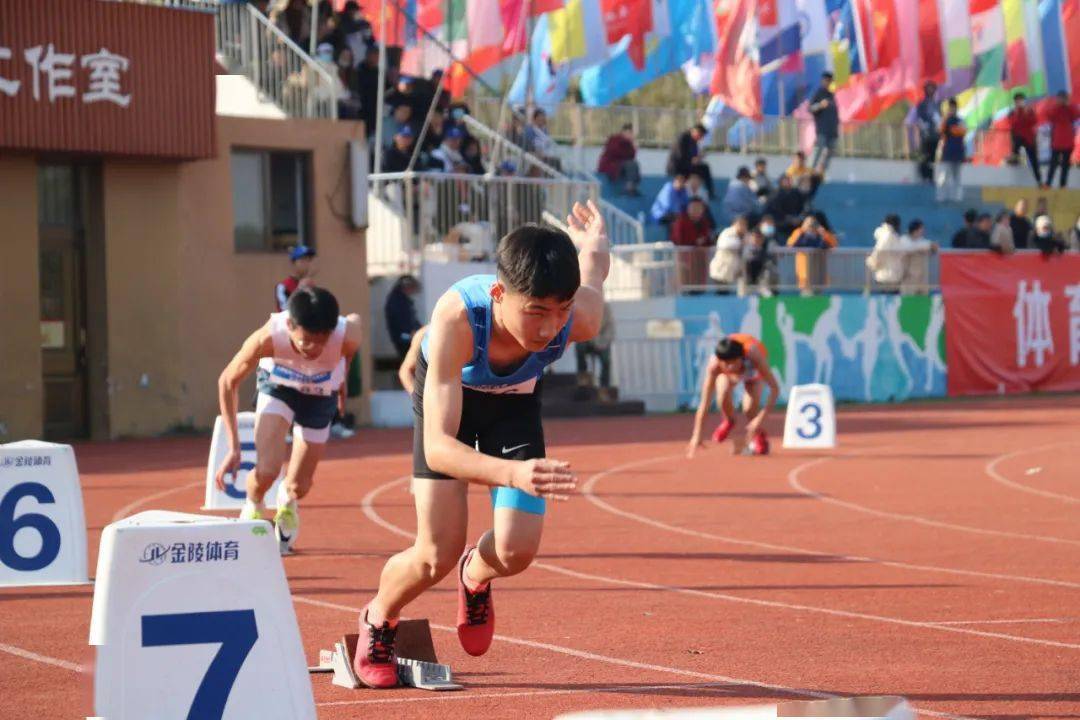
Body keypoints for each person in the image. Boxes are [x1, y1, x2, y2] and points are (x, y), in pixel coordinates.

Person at [353, 202, 610, 689]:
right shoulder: (457, 319)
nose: (549, 327)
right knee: (434, 553)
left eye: (560, 311)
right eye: (535, 311)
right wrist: (512, 473)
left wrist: (595, 243)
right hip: (451, 404)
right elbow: (439, 449)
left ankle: (477, 573)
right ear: (499, 292)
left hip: (514, 409)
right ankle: (380, 616)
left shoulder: (580, 318)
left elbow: (594, 271)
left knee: (515, 553)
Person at [215, 287, 362, 553]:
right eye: (305, 341)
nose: (313, 349)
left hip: (320, 395)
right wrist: (234, 446)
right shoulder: (268, 338)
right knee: (267, 470)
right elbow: (227, 381)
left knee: (299, 486)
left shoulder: (348, 336)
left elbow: (349, 346)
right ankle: (254, 503)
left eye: (322, 341)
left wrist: (342, 384)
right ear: (290, 325)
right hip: (278, 388)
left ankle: (287, 501)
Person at [686, 334, 780, 458]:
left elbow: (775, 388)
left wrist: (760, 419)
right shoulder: (714, 366)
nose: (730, 366)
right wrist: (696, 435)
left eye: (733, 362)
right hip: (728, 376)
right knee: (723, 391)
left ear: (741, 358)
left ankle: (759, 434)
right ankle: (729, 420)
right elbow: (705, 402)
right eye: (726, 363)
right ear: (720, 361)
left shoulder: (755, 357)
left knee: (749, 409)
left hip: (752, 374)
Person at [670, 197, 716, 290]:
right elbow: (678, 240)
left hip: (700, 261)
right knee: (686, 286)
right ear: (688, 208)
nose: (697, 210)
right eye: (694, 207)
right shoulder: (681, 222)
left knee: (699, 286)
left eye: (699, 208)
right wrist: (695, 242)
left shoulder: (704, 222)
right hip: (684, 260)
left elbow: (707, 240)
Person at [575, 302, 615, 402]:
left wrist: (601, 343)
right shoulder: (584, 308)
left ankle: (604, 388)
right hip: (588, 339)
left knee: (606, 361)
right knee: (580, 346)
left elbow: (610, 330)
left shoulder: (606, 309)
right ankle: (583, 374)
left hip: (602, 341)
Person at [787, 215, 837, 293]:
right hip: (805, 277)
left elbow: (833, 244)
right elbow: (790, 244)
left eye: (813, 224)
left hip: (819, 276)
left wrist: (823, 233)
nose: (811, 227)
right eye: (808, 224)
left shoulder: (821, 236)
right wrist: (802, 230)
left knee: (818, 299)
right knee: (806, 298)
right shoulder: (800, 234)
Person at [666, 123, 714, 198]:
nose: (700, 138)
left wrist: (699, 157)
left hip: (688, 165)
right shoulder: (682, 137)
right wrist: (692, 160)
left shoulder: (694, 141)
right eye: (700, 136)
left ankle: (710, 193)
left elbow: (694, 156)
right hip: (678, 167)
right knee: (696, 172)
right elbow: (680, 155)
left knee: (705, 168)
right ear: (695, 131)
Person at [1006, 92, 1042, 186]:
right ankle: (1014, 175)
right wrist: (1019, 113)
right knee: (1015, 154)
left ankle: (1039, 180)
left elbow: (1034, 121)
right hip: (1018, 138)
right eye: (1017, 101)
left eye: (1021, 100)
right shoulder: (1012, 112)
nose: (1019, 102)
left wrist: (1025, 113)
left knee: (1033, 160)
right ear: (1015, 102)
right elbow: (1012, 124)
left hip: (1029, 138)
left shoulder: (1029, 111)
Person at [1046, 91, 1079, 188]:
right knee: (1053, 164)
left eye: (1064, 98)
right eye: (1060, 98)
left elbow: (1076, 115)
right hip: (1057, 142)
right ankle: (1048, 183)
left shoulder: (1070, 108)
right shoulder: (1055, 109)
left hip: (1068, 142)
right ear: (1057, 99)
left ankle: (1063, 184)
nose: (1062, 100)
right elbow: (1049, 116)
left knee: (1065, 165)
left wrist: (1069, 105)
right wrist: (1058, 105)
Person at [597, 124, 641, 196]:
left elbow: (631, 157)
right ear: (625, 132)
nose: (631, 136)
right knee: (631, 164)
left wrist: (634, 148)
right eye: (630, 133)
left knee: (634, 164)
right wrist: (630, 146)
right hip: (610, 165)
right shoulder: (615, 140)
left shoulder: (628, 143)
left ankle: (632, 186)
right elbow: (615, 153)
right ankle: (629, 187)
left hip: (620, 165)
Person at [385, 275, 422, 362]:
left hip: (406, 336)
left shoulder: (403, 300)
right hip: (403, 338)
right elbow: (401, 322)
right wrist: (412, 333)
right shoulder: (397, 301)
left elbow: (412, 319)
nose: (412, 291)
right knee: (409, 360)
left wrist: (421, 329)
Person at [808, 72, 839, 174]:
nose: (828, 82)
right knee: (818, 150)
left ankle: (822, 173)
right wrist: (820, 105)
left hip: (832, 130)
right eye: (826, 80)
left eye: (830, 81)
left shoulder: (831, 95)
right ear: (823, 81)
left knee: (829, 153)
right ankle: (810, 171)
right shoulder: (819, 93)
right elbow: (810, 108)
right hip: (822, 129)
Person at [936, 98, 966, 203]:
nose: (952, 109)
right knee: (943, 176)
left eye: (953, 107)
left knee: (956, 177)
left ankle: (956, 198)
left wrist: (952, 129)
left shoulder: (960, 120)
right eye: (950, 107)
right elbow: (940, 131)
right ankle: (941, 197)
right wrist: (946, 123)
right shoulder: (944, 121)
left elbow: (961, 132)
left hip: (957, 152)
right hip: (946, 152)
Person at [911, 82, 941, 183]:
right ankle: (923, 175)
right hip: (925, 135)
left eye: (932, 88)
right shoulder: (922, 104)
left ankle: (930, 176)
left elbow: (940, 117)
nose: (931, 90)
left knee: (932, 157)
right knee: (925, 155)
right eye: (929, 88)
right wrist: (924, 126)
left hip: (935, 135)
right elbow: (919, 118)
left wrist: (938, 123)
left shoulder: (937, 104)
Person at [709, 215, 748, 288]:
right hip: (722, 269)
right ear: (734, 224)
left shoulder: (745, 235)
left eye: (744, 224)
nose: (742, 226)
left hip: (736, 270)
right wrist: (741, 243)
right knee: (722, 292)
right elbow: (725, 244)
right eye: (740, 224)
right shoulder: (727, 233)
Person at [765, 174, 806, 239]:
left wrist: (799, 217)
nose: (788, 182)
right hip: (781, 224)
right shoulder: (776, 195)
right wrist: (789, 219)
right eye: (786, 180)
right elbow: (774, 212)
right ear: (781, 182)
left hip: (797, 222)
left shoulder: (796, 193)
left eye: (789, 180)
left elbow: (803, 207)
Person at [275, 245, 316, 311]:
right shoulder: (283, 286)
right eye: (303, 260)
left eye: (308, 260)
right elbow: (283, 311)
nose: (306, 264)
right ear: (293, 263)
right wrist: (299, 290)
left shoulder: (310, 285)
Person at [742, 225, 777, 296]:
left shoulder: (766, 252)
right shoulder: (744, 251)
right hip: (747, 283)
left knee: (768, 296)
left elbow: (770, 266)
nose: (756, 239)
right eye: (754, 237)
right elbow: (745, 266)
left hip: (762, 283)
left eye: (758, 237)